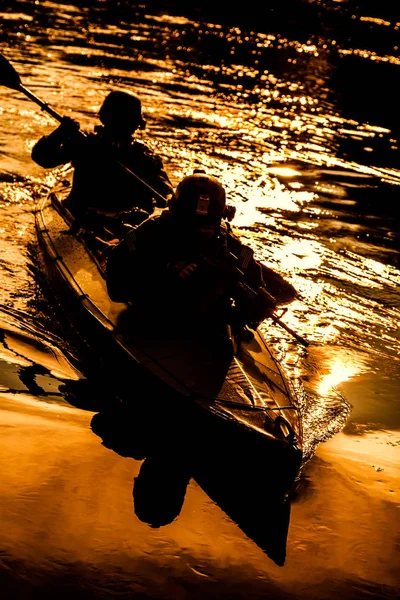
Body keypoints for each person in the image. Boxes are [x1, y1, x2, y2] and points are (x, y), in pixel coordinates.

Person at [105, 170, 286, 333]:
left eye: (208, 225)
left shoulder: (227, 241)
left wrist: (255, 304)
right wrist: (164, 276)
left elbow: (250, 270)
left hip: (205, 321)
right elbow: (117, 280)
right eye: (192, 225)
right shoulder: (150, 231)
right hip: (154, 315)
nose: (201, 231)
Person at [31, 90, 174, 236]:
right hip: (85, 217)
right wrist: (60, 134)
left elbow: (167, 193)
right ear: (137, 124)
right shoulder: (85, 142)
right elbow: (43, 158)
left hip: (127, 223)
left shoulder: (144, 155)